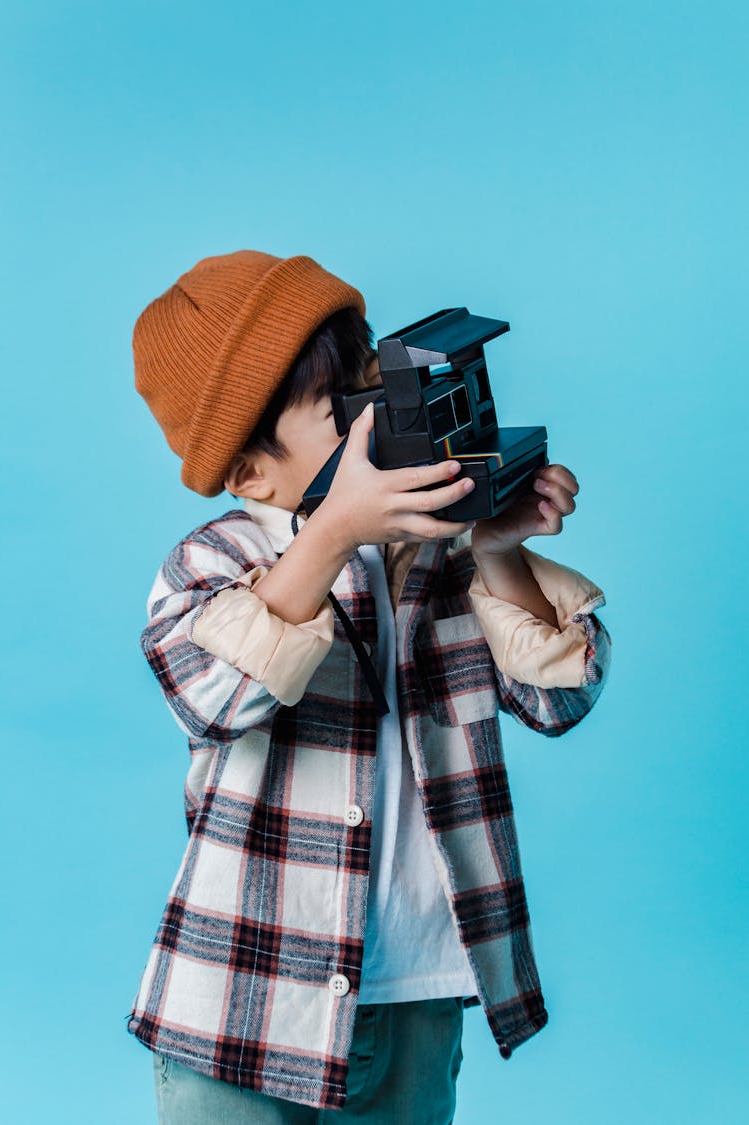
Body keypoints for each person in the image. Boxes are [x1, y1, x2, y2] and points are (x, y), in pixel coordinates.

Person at [129, 249, 611, 1124]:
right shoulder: (218, 562)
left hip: (416, 980)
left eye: (371, 379)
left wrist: (497, 548)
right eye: (339, 408)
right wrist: (332, 533)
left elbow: (561, 698)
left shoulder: (440, 551)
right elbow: (215, 696)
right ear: (250, 474)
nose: (376, 415)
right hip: (244, 986)